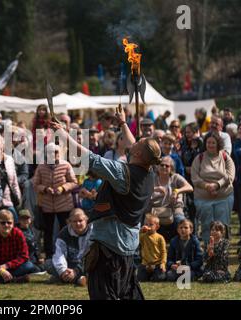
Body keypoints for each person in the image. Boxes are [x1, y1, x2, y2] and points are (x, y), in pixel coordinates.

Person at [51, 107, 161, 300]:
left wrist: (63, 134)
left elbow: (90, 158)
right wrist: (124, 123)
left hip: (110, 246)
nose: (135, 140)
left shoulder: (122, 173)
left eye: (140, 142)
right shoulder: (149, 172)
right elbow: (134, 144)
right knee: (127, 295)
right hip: (127, 246)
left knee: (104, 296)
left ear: (140, 155)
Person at [32, 143, 78, 259]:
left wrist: (63, 188)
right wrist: (45, 189)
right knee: (48, 231)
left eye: (56, 152)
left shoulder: (66, 165)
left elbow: (74, 182)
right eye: (51, 153)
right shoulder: (41, 167)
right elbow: (35, 184)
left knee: (66, 229)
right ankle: (49, 255)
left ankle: (67, 254)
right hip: (47, 205)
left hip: (64, 204)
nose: (54, 155)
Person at [191, 132, 235, 244]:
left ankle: (222, 253)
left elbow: (230, 176)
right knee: (206, 226)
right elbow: (195, 178)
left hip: (223, 198)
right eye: (208, 142)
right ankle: (208, 251)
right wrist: (207, 186)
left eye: (213, 143)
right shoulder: (199, 158)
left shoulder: (226, 158)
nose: (210, 145)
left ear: (218, 144)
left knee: (222, 226)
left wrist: (216, 185)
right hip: (203, 199)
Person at [150, 156, 193, 241]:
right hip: (155, 210)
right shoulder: (152, 178)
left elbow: (190, 187)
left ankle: (185, 248)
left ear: (171, 168)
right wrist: (156, 189)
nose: (164, 167)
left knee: (182, 223)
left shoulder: (175, 177)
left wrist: (177, 191)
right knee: (145, 223)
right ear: (157, 166)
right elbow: (143, 190)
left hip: (174, 209)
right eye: (162, 165)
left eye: (167, 166)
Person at [45, 208, 91, 286]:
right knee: (48, 264)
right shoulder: (64, 233)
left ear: (86, 220)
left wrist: (76, 271)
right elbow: (59, 254)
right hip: (69, 265)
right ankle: (76, 279)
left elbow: (91, 256)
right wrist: (63, 271)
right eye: (74, 221)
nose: (78, 224)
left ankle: (61, 278)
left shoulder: (93, 232)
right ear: (69, 222)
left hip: (87, 264)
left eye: (80, 221)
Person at [137, 214, 167, 282]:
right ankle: (148, 275)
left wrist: (163, 263)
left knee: (160, 278)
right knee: (140, 278)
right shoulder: (143, 236)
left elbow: (163, 252)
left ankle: (154, 275)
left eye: (151, 224)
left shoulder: (160, 238)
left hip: (157, 263)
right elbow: (136, 240)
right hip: (145, 263)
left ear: (157, 227)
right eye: (146, 224)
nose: (148, 226)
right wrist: (140, 231)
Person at [16, 209, 45, 274]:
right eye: (23, 219)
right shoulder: (16, 231)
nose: (25, 221)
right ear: (19, 220)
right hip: (23, 260)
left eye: (27, 218)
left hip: (33, 259)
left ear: (30, 220)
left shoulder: (31, 230)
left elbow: (35, 246)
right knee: (36, 269)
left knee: (43, 267)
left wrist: (39, 258)